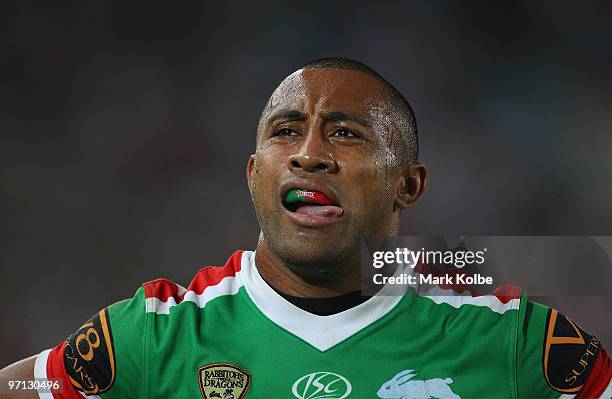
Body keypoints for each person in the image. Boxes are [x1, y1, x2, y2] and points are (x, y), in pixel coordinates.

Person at [0, 58, 610, 399]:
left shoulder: (516, 345)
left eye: (344, 132)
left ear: (409, 184)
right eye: (285, 132)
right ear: (252, 174)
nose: (308, 154)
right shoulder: (154, 340)